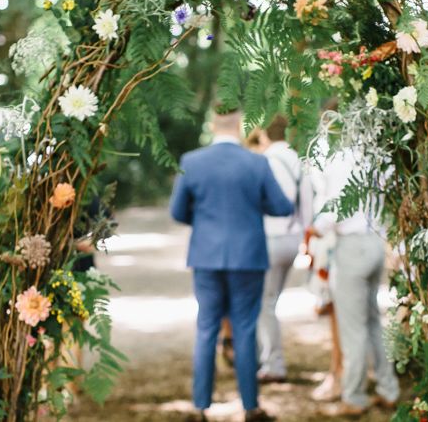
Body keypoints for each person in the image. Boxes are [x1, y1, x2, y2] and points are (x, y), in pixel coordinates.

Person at [169, 107, 294, 422]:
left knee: (206, 328)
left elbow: (177, 212)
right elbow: (282, 206)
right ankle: (251, 407)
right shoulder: (257, 162)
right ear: (239, 125)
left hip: (207, 256)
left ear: (213, 124)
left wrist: (203, 221)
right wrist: (254, 205)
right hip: (247, 256)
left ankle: (200, 408)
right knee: (245, 328)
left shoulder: (192, 162)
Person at [308, 146, 400, 416]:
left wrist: (317, 227)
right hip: (375, 241)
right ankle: (388, 388)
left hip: (352, 245)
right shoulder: (376, 154)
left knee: (353, 328)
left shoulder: (339, 158)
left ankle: (354, 396)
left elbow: (335, 205)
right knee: (372, 320)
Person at [256, 114, 314, 383]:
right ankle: (266, 357)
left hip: (270, 238)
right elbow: (307, 204)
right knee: (270, 301)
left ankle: (272, 364)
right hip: (292, 239)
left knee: (264, 304)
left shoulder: (265, 160)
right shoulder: (297, 160)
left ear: (266, 135)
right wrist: (306, 236)